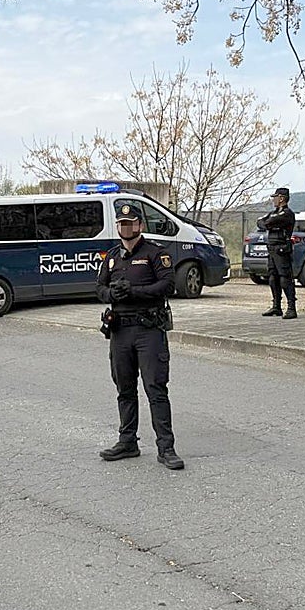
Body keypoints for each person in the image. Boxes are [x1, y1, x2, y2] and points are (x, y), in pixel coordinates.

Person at [96, 200, 184, 470]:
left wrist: (134, 292)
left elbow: (168, 285)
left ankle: (166, 447)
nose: (126, 227)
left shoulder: (156, 253)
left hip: (148, 330)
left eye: (131, 223)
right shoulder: (111, 257)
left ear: (140, 225)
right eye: (122, 224)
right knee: (124, 387)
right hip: (121, 330)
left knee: (155, 388)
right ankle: (128, 442)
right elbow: (99, 288)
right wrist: (112, 294)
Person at [257, 186, 297, 319]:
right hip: (272, 248)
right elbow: (261, 222)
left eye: (275, 197)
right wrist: (269, 224)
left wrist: (270, 225)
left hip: (281, 249)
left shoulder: (287, 213)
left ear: (281, 198)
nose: (273, 200)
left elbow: (269, 223)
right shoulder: (274, 212)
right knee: (273, 278)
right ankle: (276, 306)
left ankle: (291, 308)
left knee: (285, 278)